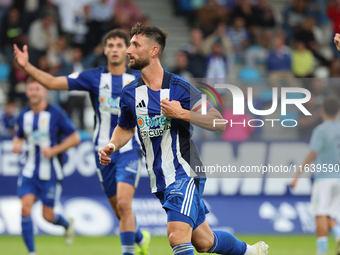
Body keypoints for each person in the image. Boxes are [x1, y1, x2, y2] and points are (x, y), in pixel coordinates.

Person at [99, 23, 269, 255]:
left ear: (153, 51)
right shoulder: (130, 93)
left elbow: (217, 122)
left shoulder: (180, 87)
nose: (129, 50)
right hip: (159, 178)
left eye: (135, 44)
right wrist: (111, 145)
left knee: (177, 236)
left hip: (185, 171)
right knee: (204, 242)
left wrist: (180, 113)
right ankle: (251, 252)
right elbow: (125, 128)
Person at [13, 29, 150, 255]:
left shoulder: (138, 79)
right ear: (105, 50)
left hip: (128, 150)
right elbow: (53, 82)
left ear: (126, 50)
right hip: (102, 153)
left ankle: (128, 252)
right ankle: (140, 238)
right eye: (111, 45)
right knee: (119, 211)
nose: (115, 49)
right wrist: (26, 66)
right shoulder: (94, 77)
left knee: (125, 205)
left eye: (119, 45)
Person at [12, 80, 80, 255]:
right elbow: (19, 136)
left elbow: (75, 138)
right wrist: (16, 144)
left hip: (50, 172)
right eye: (31, 89)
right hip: (29, 171)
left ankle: (66, 224)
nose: (34, 92)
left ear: (44, 93)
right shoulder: (23, 115)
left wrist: (54, 150)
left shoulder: (56, 113)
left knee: (47, 216)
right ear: (27, 93)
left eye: (37, 89)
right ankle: (32, 252)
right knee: (25, 208)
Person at [291, 96, 340, 255]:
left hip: (324, 178)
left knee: (320, 214)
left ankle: (322, 252)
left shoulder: (321, 130)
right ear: (337, 111)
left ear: (322, 110)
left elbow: (312, 154)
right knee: (330, 213)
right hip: (338, 178)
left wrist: (297, 176)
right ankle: (338, 233)